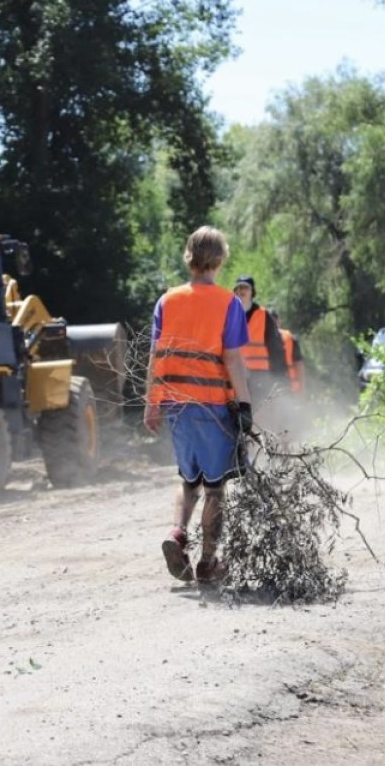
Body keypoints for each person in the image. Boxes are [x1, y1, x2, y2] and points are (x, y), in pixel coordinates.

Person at [144, 227, 253, 584]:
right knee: (216, 487)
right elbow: (233, 360)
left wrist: (152, 404)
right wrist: (245, 404)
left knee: (189, 480)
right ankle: (208, 562)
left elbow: (155, 355)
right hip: (212, 406)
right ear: (220, 260)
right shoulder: (228, 303)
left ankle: (177, 533)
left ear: (188, 257)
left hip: (176, 404)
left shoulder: (167, 301)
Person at [232, 276, 287, 404]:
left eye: (245, 287)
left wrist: (279, 377)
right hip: (236, 374)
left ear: (252, 292)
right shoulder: (229, 314)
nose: (241, 291)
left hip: (260, 375)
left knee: (260, 413)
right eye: (238, 288)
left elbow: (276, 348)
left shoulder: (264, 315)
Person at [271, 310, 306, 394]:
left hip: (290, 388)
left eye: (274, 321)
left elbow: (299, 365)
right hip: (270, 388)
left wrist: (302, 389)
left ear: (279, 321)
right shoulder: (260, 340)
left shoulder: (290, 339)